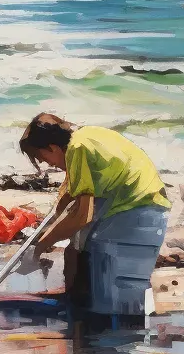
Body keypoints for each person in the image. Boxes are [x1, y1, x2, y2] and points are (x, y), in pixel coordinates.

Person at [18, 113, 170, 315]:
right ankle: (81, 311)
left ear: (52, 148)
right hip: (149, 209)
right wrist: (50, 230)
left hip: (135, 212)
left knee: (115, 299)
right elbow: (68, 198)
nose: (50, 165)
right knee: (84, 255)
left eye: (44, 159)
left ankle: (95, 322)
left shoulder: (77, 149)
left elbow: (82, 216)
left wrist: (40, 248)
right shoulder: (85, 137)